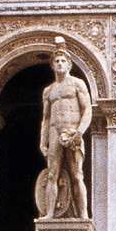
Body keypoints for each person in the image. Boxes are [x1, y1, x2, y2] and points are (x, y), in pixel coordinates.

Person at [40, 39, 92, 220]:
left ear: (69, 64)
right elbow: (46, 118)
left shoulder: (77, 84)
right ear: (53, 66)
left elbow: (87, 110)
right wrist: (42, 142)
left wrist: (79, 132)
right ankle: (50, 214)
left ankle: (84, 215)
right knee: (52, 174)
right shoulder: (48, 90)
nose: (60, 64)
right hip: (55, 132)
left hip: (72, 131)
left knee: (77, 175)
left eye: (63, 61)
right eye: (57, 61)